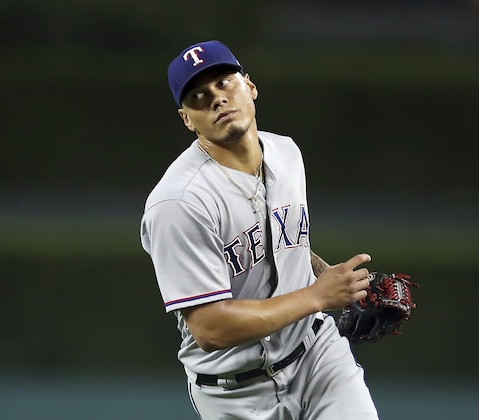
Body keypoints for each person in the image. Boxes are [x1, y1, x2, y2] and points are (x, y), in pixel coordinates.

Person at [140, 40, 378, 419]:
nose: (217, 99)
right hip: (235, 394)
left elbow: (284, 241)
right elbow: (210, 327)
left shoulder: (286, 152)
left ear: (249, 87)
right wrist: (318, 295)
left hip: (316, 356)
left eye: (225, 83)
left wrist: (330, 278)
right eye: (199, 96)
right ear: (186, 118)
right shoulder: (179, 203)